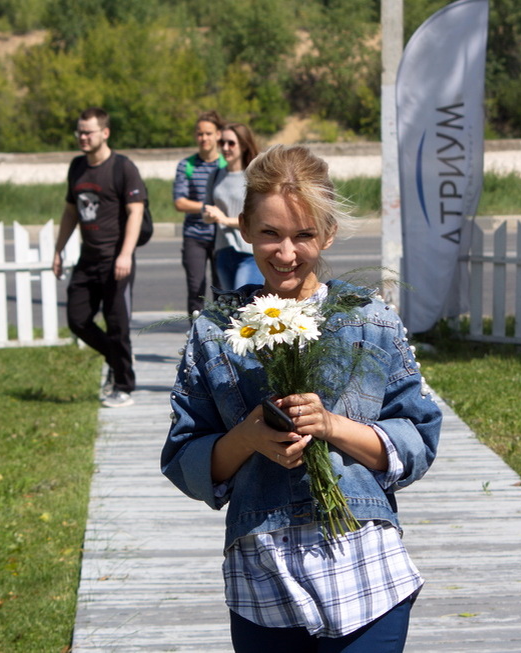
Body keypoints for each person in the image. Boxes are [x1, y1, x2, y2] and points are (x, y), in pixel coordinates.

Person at [161, 145, 442, 651]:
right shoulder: (214, 333)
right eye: (269, 233)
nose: (285, 253)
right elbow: (186, 457)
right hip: (262, 582)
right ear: (243, 227)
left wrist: (330, 426)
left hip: (366, 578)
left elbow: (418, 439)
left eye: (303, 235)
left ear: (327, 233)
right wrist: (246, 437)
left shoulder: (370, 321)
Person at [52, 107, 145, 409]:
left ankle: (124, 386)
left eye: (88, 132)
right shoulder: (77, 167)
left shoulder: (122, 168)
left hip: (115, 259)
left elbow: (136, 211)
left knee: (117, 325)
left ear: (104, 133)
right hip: (88, 259)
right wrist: (59, 249)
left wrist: (126, 254)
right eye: (79, 131)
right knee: (77, 319)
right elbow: (70, 212)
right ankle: (117, 357)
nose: (82, 137)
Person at [173, 110, 226, 316]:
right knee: (196, 290)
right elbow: (180, 202)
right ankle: (196, 340)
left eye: (208, 133)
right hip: (194, 235)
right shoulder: (186, 165)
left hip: (222, 236)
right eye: (200, 133)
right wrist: (206, 208)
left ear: (218, 135)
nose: (204, 138)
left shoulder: (226, 165)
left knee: (223, 291)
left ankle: (223, 338)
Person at [203, 123, 265, 290]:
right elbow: (206, 212)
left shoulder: (255, 176)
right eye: (221, 142)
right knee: (231, 309)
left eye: (231, 143)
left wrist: (224, 220)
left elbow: (260, 219)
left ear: (244, 145)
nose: (225, 147)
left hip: (250, 252)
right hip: (223, 251)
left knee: (244, 305)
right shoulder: (216, 174)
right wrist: (209, 216)